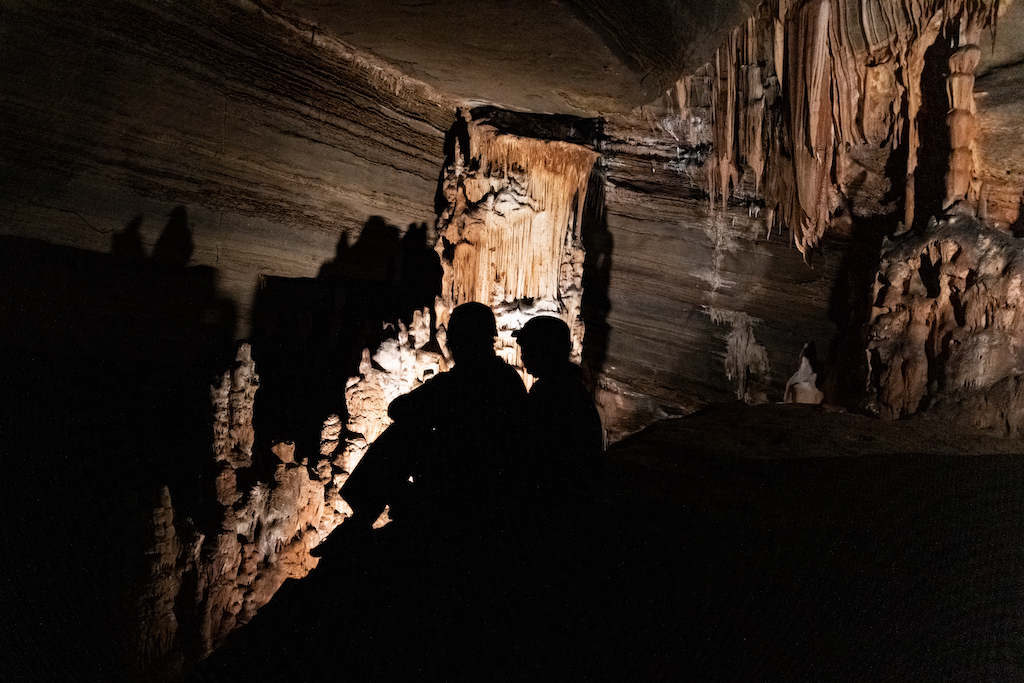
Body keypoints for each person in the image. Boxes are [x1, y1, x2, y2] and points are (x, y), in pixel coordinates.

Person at [513, 315, 604, 500]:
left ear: (544, 351)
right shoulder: (571, 387)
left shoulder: (551, 394)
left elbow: (538, 455)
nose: (522, 355)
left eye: (527, 348)